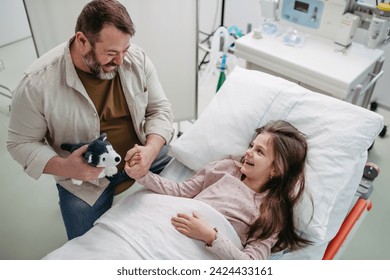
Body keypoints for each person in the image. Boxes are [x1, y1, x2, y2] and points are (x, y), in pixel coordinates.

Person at [7, 0, 174, 240]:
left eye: (124, 50)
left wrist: (151, 149)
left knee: (191, 191)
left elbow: (159, 109)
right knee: (84, 252)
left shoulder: (135, 59)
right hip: (84, 180)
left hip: (144, 154)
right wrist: (66, 167)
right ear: (82, 40)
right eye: (110, 53)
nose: (120, 61)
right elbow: (19, 143)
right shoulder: (36, 84)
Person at [125, 120, 312, 259]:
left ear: (276, 169)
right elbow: (180, 192)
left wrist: (210, 236)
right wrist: (141, 174)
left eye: (259, 152)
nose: (248, 152)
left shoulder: (271, 213)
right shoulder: (224, 168)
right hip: (170, 229)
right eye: (252, 146)